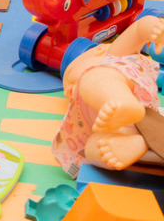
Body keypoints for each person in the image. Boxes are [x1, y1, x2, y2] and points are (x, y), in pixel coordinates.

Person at [53, 15, 164, 177]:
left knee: (93, 77)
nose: (69, 88)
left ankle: (123, 102)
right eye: (68, 85)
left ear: (99, 51)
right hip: (132, 124)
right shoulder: (85, 112)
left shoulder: (114, 56)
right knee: (91, 148)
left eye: (70, 73)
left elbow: (137, 30)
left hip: (127, 101)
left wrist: (153, 27)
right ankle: (134, 145)